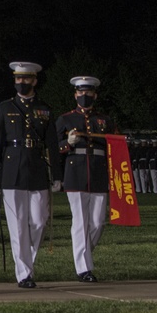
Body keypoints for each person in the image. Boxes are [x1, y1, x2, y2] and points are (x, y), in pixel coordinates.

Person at [0, 61, 59, 289]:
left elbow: (53, 145)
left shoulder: (44, 109)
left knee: (38, 222)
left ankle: (27, 263)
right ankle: (25, 274)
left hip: (36, 169)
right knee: (17, 225)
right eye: (17, 79)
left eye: (25, 79)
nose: (21, 82)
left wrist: (57, 174)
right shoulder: (4, 108)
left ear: (34, 81)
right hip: (11, 170)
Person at [55, 75, 114, 283]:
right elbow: (53, 147)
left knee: (98, 222)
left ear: (94, 95)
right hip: (76, 172)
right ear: (75, 95)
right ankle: (83, 268)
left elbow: (115, 144)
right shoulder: (66, 119)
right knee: (80, 222)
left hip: (98, 172)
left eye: (88, 93)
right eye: (80, 93)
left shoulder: (105, 120)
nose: (84, 96)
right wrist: (67, 143)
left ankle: (83, 256)